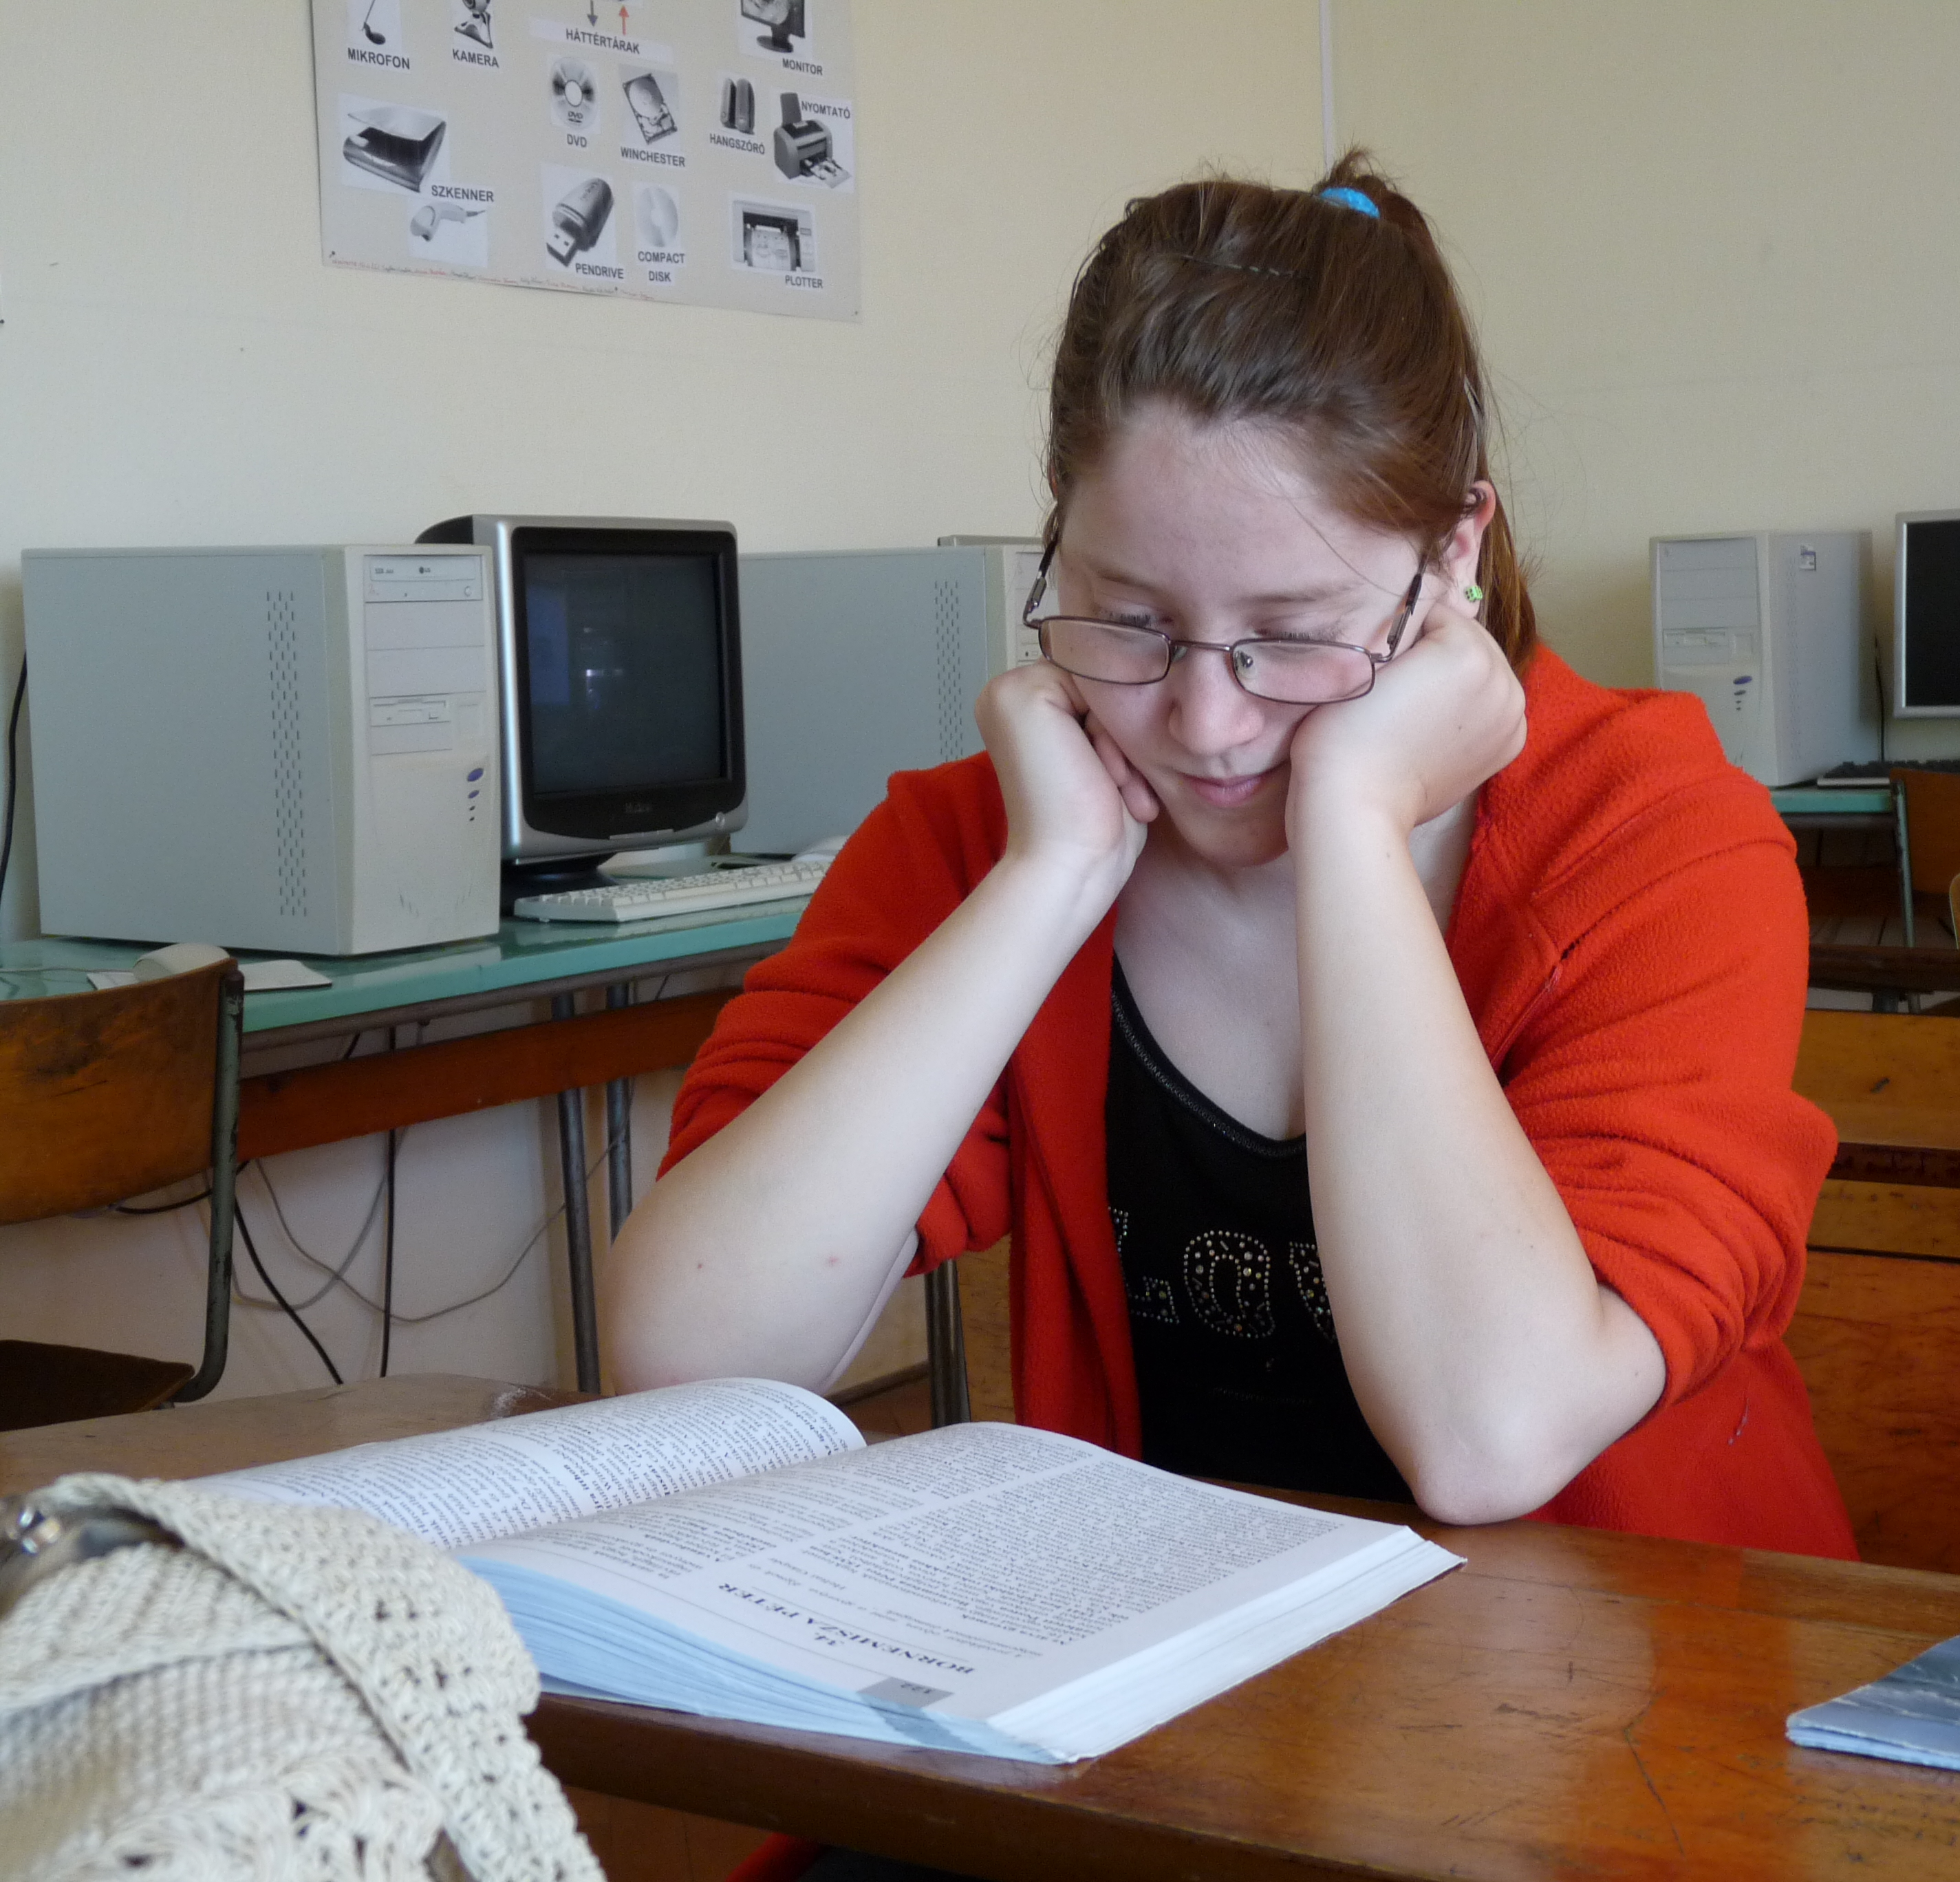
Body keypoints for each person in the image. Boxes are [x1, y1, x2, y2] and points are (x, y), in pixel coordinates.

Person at [611, 153, 1854, 1558]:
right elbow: (686, 1359)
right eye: (1132, 618)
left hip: (1645, 1659)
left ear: (1456, 554)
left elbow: (1489, 1433)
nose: (1206, 725)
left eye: (1295, 632)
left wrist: (1353, 825)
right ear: (1058, 529)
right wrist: (1046, 884)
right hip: (1192, 1660)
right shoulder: (991, 835)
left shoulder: (1654, 834)